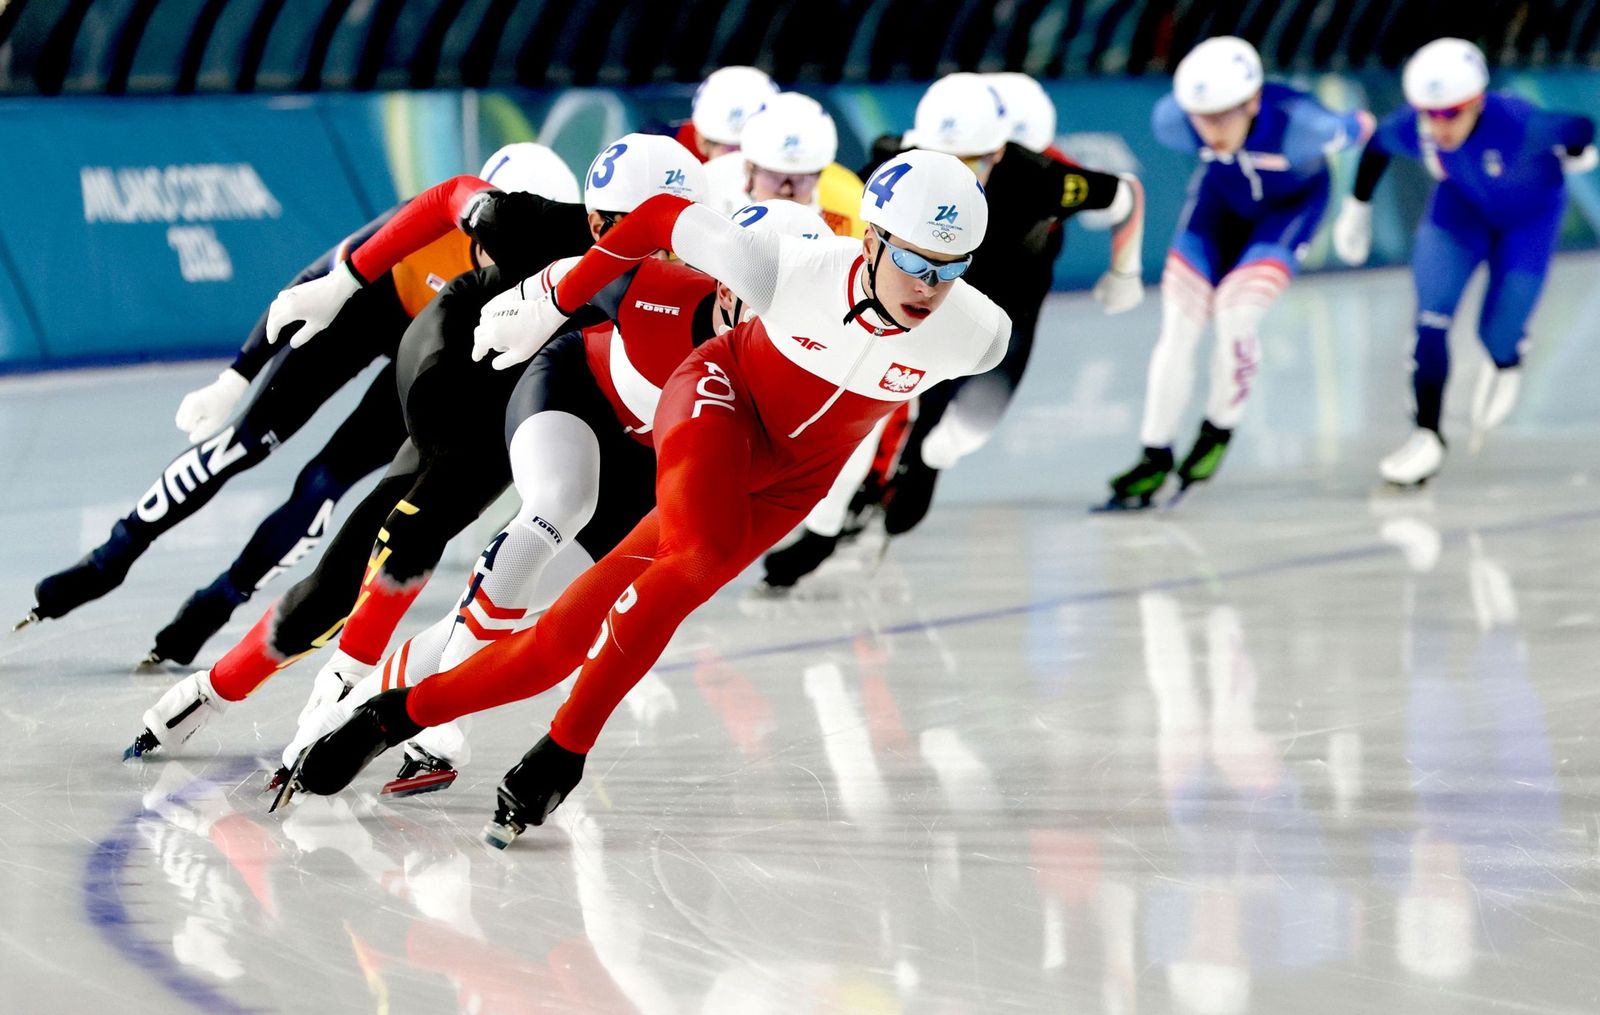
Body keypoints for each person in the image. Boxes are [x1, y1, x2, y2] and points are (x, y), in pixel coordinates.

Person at [279, 150, 1013, 849]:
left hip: (792, 480)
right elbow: (659, 217)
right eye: (915, 260)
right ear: (874, 241)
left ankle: (390, 714)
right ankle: (562, 753)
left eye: (952, 269)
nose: (929, 286)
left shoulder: (977, 335)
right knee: (697, 557)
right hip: (718, 399)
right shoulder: (786, 268)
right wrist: (550, 299)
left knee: (565, 638)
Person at [126, 135, 705, 762]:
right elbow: (449, 195)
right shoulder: (547, 228)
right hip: (465, 350)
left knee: (517, 590)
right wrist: (341, 284)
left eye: (658, 231)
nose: (627, 244)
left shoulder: (720, 273)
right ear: (586, 217)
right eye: (608, 226)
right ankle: (266, 685)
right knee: (426, 500)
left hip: (588, 403)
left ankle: (378, 698)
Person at [277, 201, 835, 800]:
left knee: (525, 623)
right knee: (557, 507)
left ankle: (345, 720)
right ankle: (433, 721)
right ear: (725, 286)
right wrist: (522, 311)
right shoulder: (657, 286)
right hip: (575, 394)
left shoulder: (817, 356)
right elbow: (575, 268)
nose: (784, 332)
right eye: (769, 303)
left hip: (640, 468)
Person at [761, 71, 1145, 587]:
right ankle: (831, 526)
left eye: (974, 163)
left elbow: (1126, 194)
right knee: (869, 414)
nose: (958, 179)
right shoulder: (894, 168)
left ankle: (925, 462)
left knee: (956, 432)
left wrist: (1126, 272)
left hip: (1002, 318)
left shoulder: (1039, 179)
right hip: (917, 308)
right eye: (944, 161)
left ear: (1002, 153)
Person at [1101, 37, 1374, 510]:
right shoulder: (1172, 121)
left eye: (1223, 115)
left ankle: (1218, 428)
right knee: (1179, 325)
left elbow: (1367, 127)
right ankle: (1154, 452)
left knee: (1235, 313)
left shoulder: (1304, 126)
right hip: (1217, 211)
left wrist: (1357, 207)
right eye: (1201, 118)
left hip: (1287, 215)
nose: (1210, 129)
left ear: (1252, 101)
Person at [1330, 37, 1596, 485]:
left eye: (1451, 113)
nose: (1439, 126)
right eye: (1429, 113)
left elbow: (1579, 125)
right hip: (1461, 210)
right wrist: (1356, 210)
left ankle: (1507, 355)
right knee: (1431, 317)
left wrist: (1577, 151)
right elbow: (1377, 146)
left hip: (1528, 222)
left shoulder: (1519, 123)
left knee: (1495, 335)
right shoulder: (1417, 127)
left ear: (1477, 102)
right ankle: (1427, 434)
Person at [701, 91, 866, 238]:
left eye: (800, 179)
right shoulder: (707, 187)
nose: (786, 189)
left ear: (820, 173)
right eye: (774, 175)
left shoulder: (852, 204)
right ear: (750, 167)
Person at [674, 65, 779, 162]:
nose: (742, 162)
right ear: (702, 142)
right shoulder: (673, 151)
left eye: (748, 148)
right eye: (730, 149)